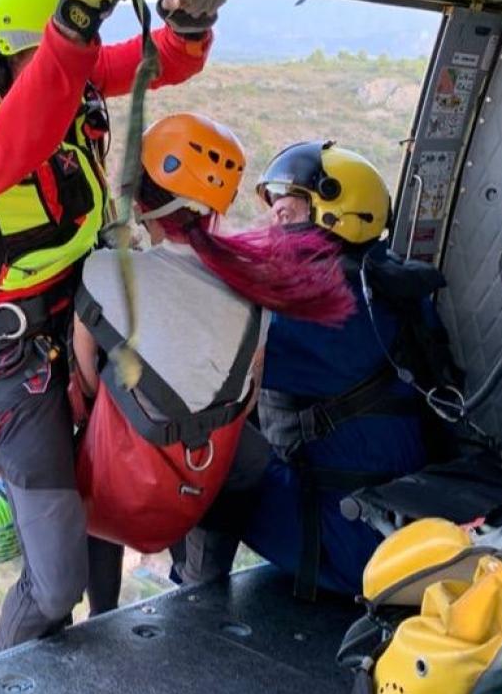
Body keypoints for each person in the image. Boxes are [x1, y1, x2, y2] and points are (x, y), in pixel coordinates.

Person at [0, 0, 232, 652]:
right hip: (13, 367)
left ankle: (122, 633)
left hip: (84, 323)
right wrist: (72, 30)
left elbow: (156, 65)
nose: (52, 72)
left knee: (138, 487)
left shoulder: (61, 72)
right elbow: (7, 150)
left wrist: (189, 23)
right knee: (54, 583)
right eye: (33, 56)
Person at [69, 116, 356, 614]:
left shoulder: (105, 271)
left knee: (103, 409)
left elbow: (87, 376)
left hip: (121, 491)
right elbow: (249, 397)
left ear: (143, 203)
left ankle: (101, 613)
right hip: (203, 484)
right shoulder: (253, 293)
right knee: (244, 454)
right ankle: (201, 588)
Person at [181, 139, 457, 599]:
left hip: (347, 540)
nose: (272, 224)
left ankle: (192, 597)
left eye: (285, 215)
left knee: (196, 450)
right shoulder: (386, 283)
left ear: (333, 217)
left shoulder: (322, 310)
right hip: (396, 524)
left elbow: (210, 363)